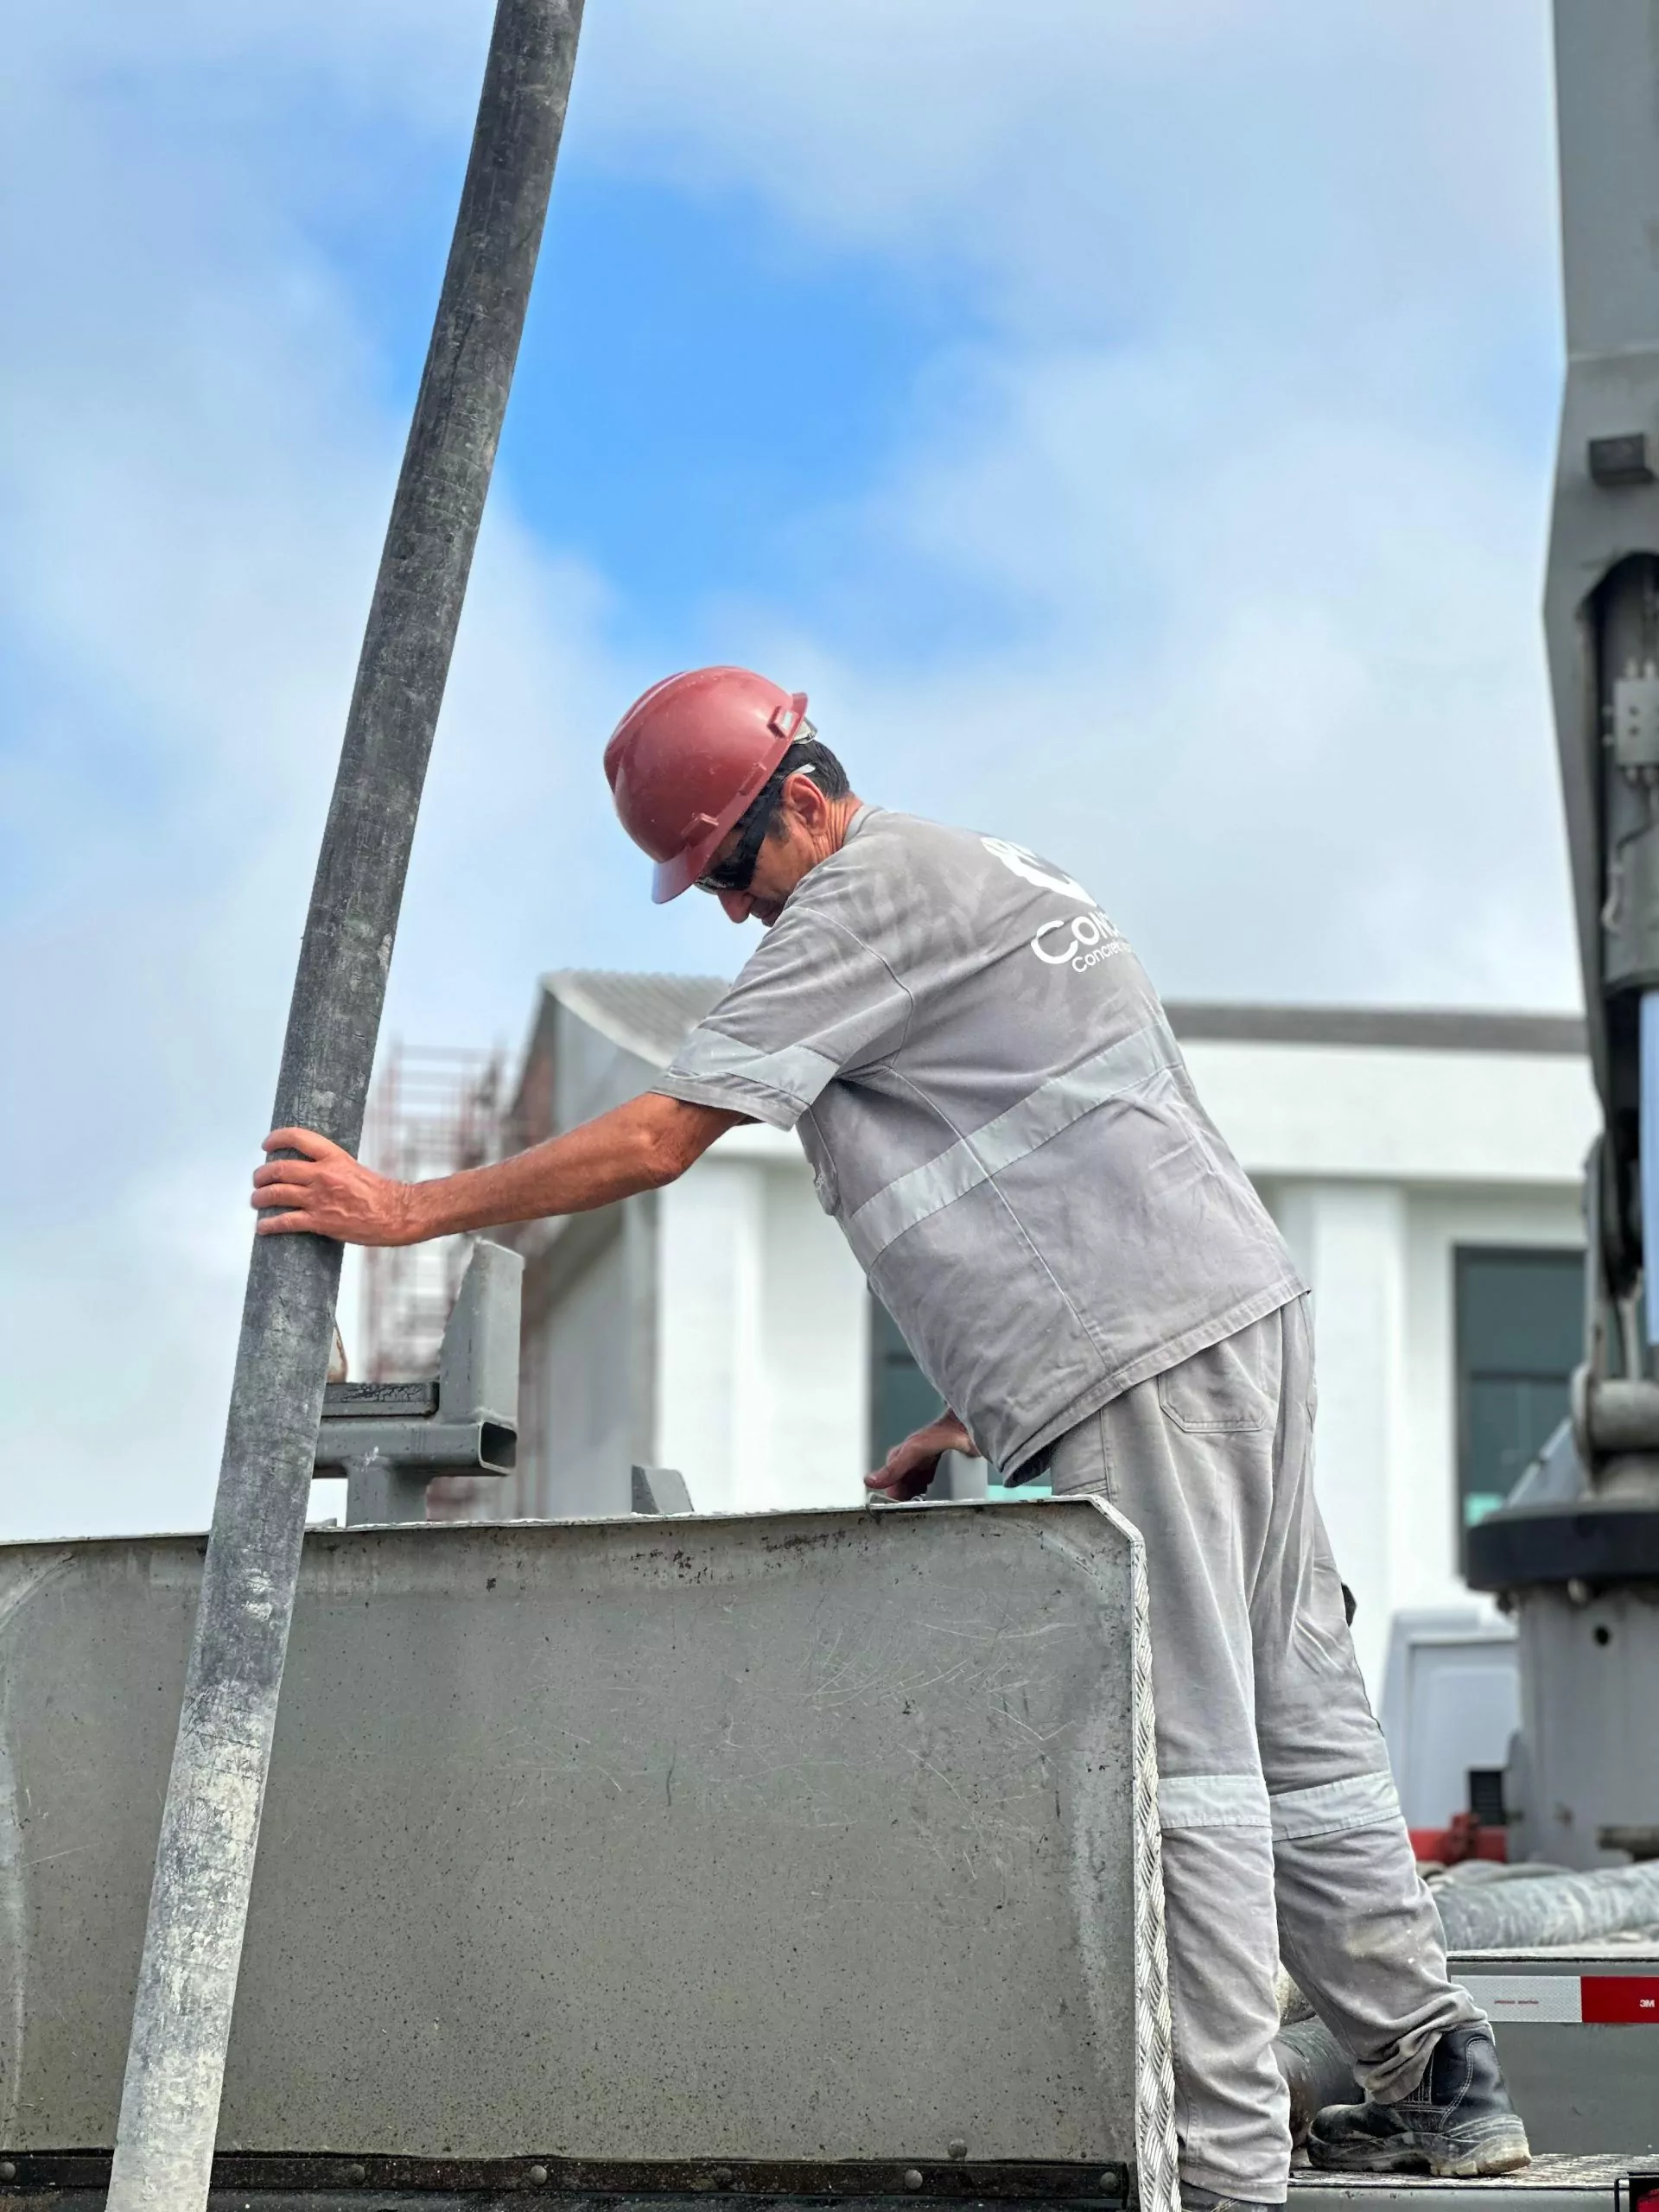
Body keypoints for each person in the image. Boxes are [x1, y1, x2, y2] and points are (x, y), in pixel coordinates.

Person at [251, 665, 1530, 2209]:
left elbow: (666, 1136)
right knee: (1301, 1722)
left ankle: (1226, 2176)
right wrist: (981, 1404)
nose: (732, 913)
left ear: (805, 795)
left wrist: (407, 1211)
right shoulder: (987, 870)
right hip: (1226, 1323)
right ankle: (1439, 2078)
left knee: (1185, 1758)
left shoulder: (858, 899)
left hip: (1135, 1356)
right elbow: (1076, 1150)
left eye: (730, 866)